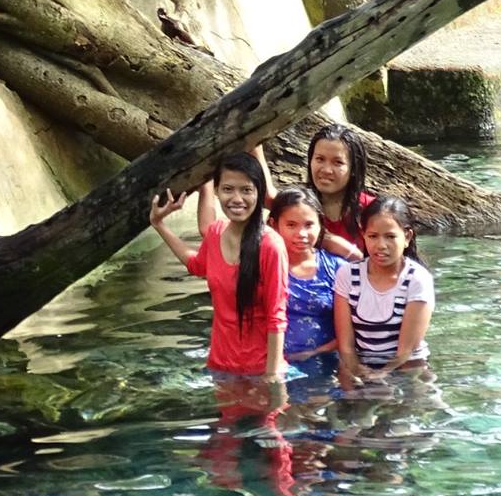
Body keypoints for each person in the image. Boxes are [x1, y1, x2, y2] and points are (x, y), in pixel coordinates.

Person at [149, 152, 288, 383]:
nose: (236, 198)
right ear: (216, 191)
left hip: (260, 370)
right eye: (228, 189)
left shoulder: (271, 246)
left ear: (259, 192)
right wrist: (159, 224)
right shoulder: (215, 233)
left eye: (246, 190)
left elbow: (277, 317)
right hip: (220, 366)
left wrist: (272, 378)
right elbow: (196, 265)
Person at [334, 194, 434, 388]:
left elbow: (406, 350)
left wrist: (382, 374)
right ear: (363, 235)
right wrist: (356, 369)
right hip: (360, 364)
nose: (381, 245)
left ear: (407, 237)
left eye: (390, 237)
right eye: (373, 236)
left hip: (407, 365)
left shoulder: (417, 279)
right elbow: (346, 345)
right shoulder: (348, 275)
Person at [269, 187, 341, 376]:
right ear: (274, 225)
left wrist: (315, 353)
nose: (301, 234)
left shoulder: (337, 268)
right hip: (274, 364)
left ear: (320, 225)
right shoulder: (264, 267)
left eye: (309, 225)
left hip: (326, 364)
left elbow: (355, 328)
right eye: (291, 225)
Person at [304, 123, 376, 260]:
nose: (326, 170)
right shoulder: (298, 207)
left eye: (337, 162)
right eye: (320, 159)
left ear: (354, 169)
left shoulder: (372, 210)